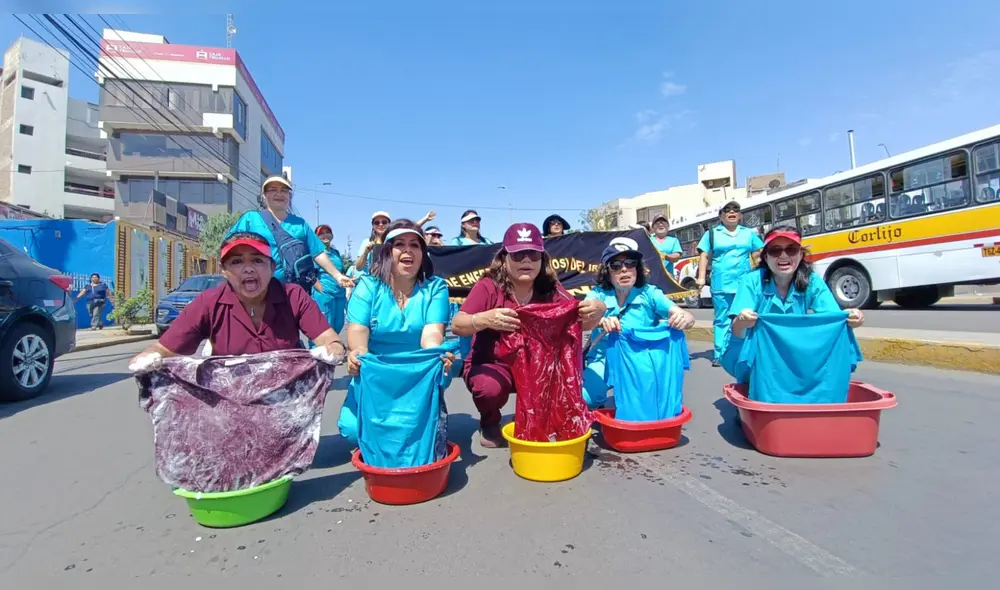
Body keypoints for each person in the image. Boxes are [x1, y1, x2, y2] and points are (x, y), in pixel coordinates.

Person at [451, 222, 606, 448]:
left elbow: (579, 323)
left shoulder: (551, 288)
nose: (526, 261)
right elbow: (457, 324)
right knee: (489, 389)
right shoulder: (488, 286)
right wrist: (484, 319)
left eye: (533, 254)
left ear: (542, 259)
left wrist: (598, 310)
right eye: (518, 254)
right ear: (504, 258)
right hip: (495, 364)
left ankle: (534, 419)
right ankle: (489, 420)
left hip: (538, 365)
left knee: (560, 374)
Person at [127, 232, 347, 368]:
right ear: (223, 270)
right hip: (229, 404)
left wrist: (333, 349)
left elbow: (328, 339)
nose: (248, 268)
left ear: (272, 267)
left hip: (286, 400)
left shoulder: (294, 296)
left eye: (258, 261)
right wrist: (148, 357)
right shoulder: (208, 303)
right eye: (237, 262)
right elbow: (165, 348)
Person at [337, 220, 455, 443]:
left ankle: (425, 405)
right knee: (353, 430)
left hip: (416, 373)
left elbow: (431, 335)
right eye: (399, 244)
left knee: (415, 431)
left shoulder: (435, 287)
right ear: (387, 252)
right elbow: (358, 340)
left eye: (415, 245)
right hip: (376, 374)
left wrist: (436, 354)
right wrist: (355, 356)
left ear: (423, 253)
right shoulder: (368, 287)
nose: (408, 250)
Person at [723, 225, 865, 379]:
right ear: (765, 257)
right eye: (775, 250)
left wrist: (850, 318)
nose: (784, 256)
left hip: (791, 346)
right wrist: (743, 321)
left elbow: (833, 318)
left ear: (800, 254)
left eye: (791, 250)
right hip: (750, 347)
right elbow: (737, 331)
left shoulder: (812, 280)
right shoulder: (751, 281)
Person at [581, 237, 696, 409]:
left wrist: (684, 318)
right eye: (616, 265)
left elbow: (685, 315)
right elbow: (583, 315)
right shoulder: (597, 293)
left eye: (630, 263)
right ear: (607, 271)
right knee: (584, 400)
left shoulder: (650, 293)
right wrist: (600, 320)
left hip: (641, 360)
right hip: (603, 359)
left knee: (645, 408)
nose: (625, 270)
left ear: (638, 268)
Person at [228, 176, 353, 293]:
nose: (279, 193)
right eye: (273, 190)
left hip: (294, 292)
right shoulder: (250, 219)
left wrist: (338, 276)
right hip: (258, 291)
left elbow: (318, 253)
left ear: (289, 196)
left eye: (284, 190)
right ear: (264, 195)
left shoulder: (300, 224)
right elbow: (229, 248)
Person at [695, 201, 764, 367]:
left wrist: (762, 273)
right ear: (721, 216)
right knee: (722, 319)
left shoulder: (748, 233)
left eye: (736, 210)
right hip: (721, 283)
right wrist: (701, 278)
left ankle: (745, 350)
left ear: (739, 215)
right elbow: (704, 256)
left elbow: (757, 254)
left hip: (745, 283)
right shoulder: (711, 234)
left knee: (746, 316)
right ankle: (720, 353)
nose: (732, 212)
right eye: (727, 210)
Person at [313, 224, 348, 333]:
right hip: (325, 293)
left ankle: (333, 348)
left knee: (338, 324)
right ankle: (319, 349)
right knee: (324, 326)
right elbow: (310, 274)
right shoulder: (315, 253)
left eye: (327, 232)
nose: (325, 235)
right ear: (316, 237)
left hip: (339, 293)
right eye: (321, 233)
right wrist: (320, 289)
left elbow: (340, 271)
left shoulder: (335, 252)